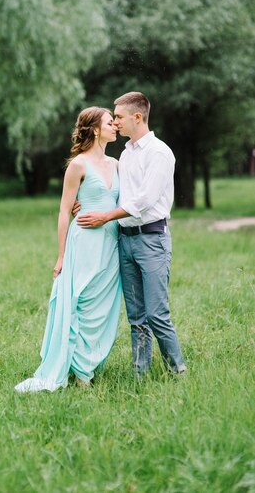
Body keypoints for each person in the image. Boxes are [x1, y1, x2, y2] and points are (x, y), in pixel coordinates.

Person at [77, 92, 186, 377]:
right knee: (137, 317)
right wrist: (85, 204)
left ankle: (178, 371)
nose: (115, 122)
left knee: (157, 314)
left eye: (120, 117)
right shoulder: (124, 155)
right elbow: (117, 195)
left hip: (152, 240)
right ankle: (140, 375)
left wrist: (104, 217)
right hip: (125, 241)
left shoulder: (159, 153)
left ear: (137, 117)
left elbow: (143, 201)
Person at [15, 107, 123, 393]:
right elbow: (64, 211)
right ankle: (79, 372)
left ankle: (88, 364)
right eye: (110, 123)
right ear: (96, 130)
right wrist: (61, 254)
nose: (115, 126)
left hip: (111, 245)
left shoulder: (116, 164)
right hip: (84, 242)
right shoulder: (78, 165)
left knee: (103, 308)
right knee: (81, 302)